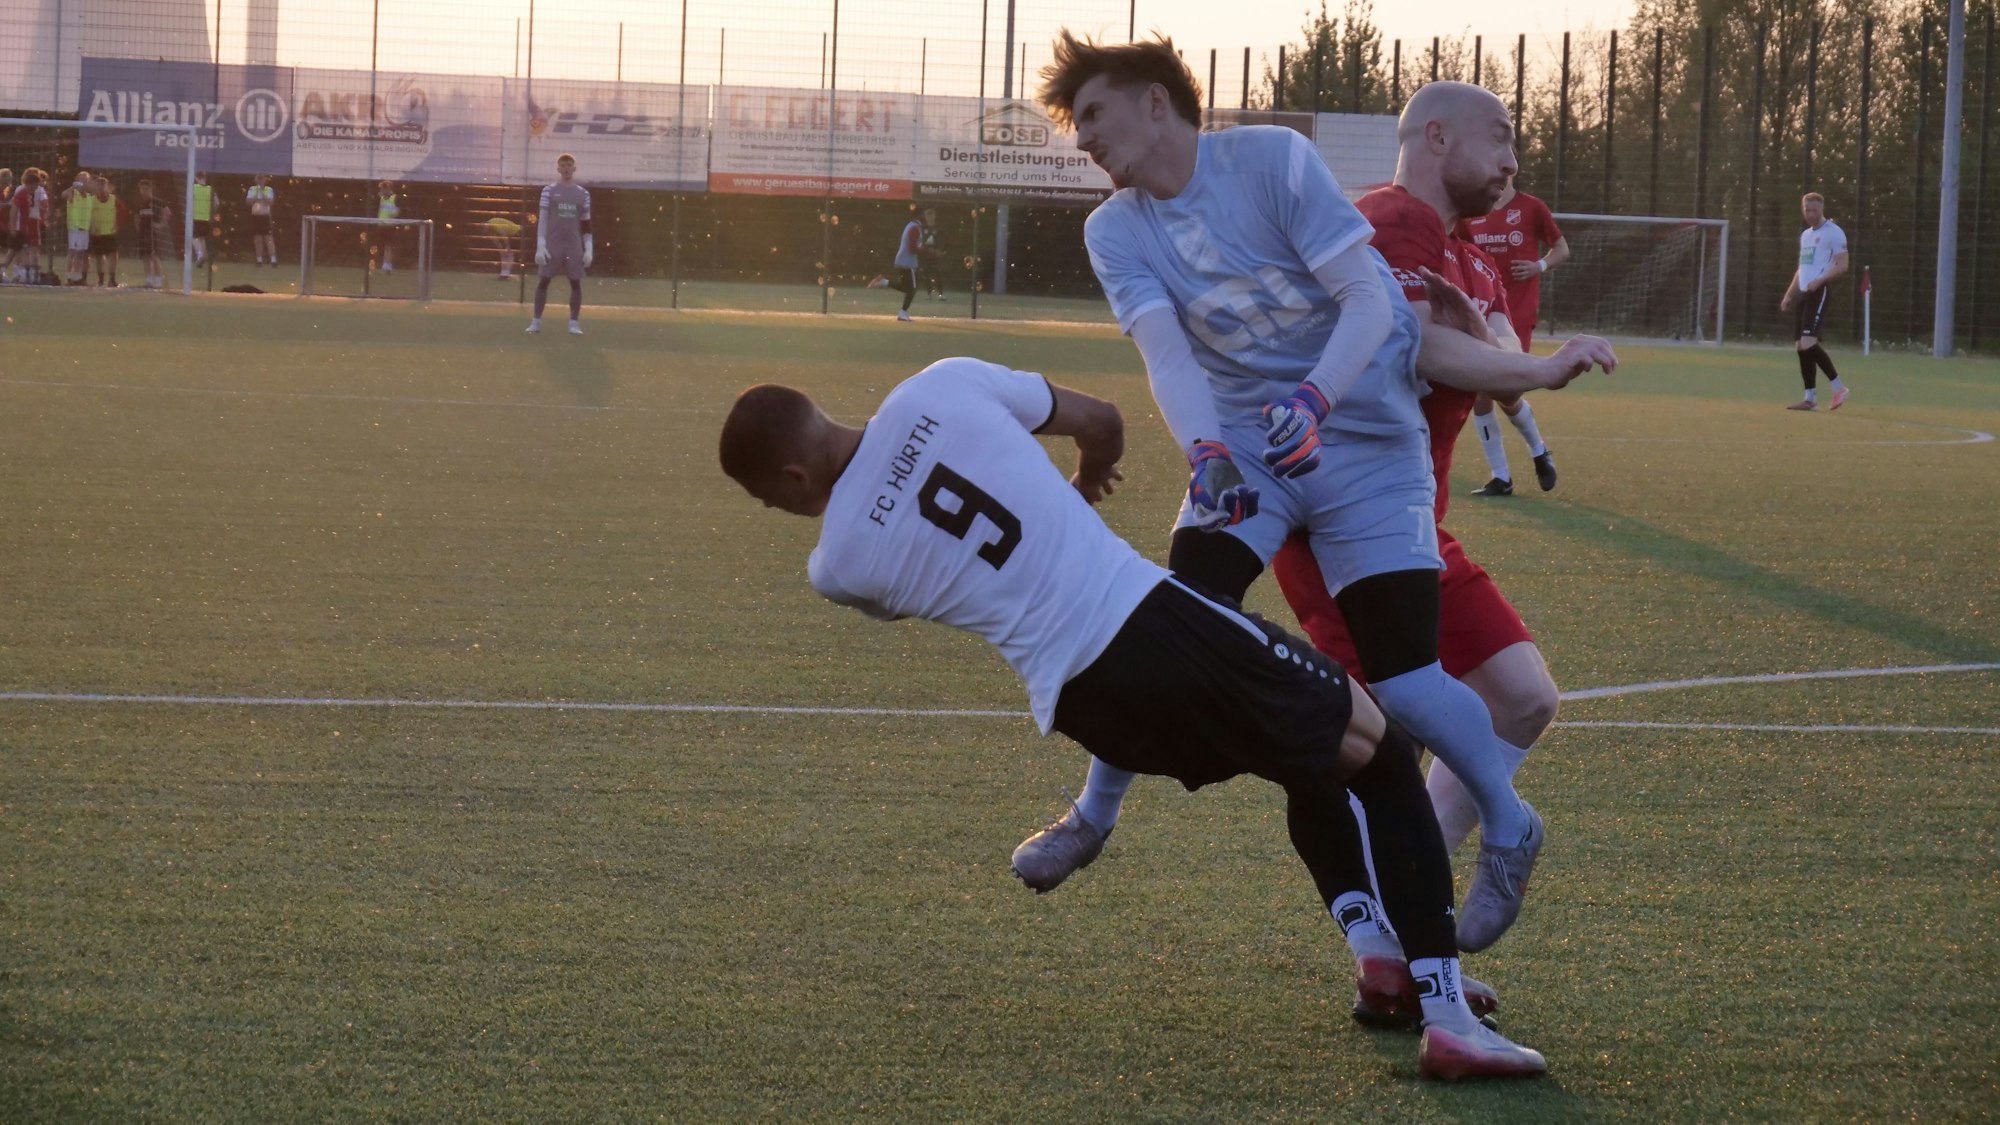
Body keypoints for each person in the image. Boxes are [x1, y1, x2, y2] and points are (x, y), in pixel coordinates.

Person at [717, 359, 1548, 1080]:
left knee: (1310, 757)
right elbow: (1101, 423)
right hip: (1157, 625)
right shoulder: (945, 384)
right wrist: (1083, 482)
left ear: (790, 481)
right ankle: (1447, 1019)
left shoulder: (836, 565)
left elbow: (927, 576)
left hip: (1086, 705)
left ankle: (1378, 960)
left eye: (761, 499)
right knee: (1383, 753)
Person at [1017, 33, 1608, 956]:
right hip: (1253, 450)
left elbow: (1372, 307)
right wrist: (1207, 447)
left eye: (1093, 114)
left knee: (1407, 678)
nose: (1083, 138)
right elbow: (1167, 356)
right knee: (1175, 617)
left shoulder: (1271, 160)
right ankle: (1092, 814)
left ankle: (1510, 821)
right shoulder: (1113, 229)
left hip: (1367, 441)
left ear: (1156, 103)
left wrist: (1315, 396)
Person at [1272, 82, 1617, 867]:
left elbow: (1495, 368)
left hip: (1413, 529)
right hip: (1341, 530)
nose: (1511, 160)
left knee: (1524, 699)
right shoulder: (1387, 219)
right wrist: (1540, 364)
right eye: (1498, 138)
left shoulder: (1470, 261)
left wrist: (1514, 356)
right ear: (1435, 137)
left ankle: (1427, 877)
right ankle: (1395, 941)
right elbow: (1423, 348)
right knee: (1375, 745)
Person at [1461, 175, 1568, 496]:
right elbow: (1459, 250)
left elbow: (1561, 248)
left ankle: (1537, 450)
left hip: (1517, 313)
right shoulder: (1473, 210)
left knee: (1502, 392)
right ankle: (1502, 476)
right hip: (1482, 311)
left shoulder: (1531, 207)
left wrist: (1539, 266)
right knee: (1482, 392)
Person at [1780, 192, 1850, 411]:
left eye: (1814, 210)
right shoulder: (1805, 236)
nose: (1810, 214)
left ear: (1822, 209)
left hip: (1820, 292)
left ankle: (1839, 388)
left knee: (1808, 342)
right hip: (1803, 293)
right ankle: (1810, 399)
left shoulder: (1834, 233)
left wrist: (1819, 281)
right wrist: (1789, 294)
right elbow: (1802, 268)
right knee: (1801, 347)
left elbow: (1842, 265)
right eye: (1807, 210)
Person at [527, 154, 591, 336]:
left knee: (575, 283)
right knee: (544, 281)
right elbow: (543, 219)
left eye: (569, 165)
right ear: (558, 168)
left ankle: (573, 323)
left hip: (573, 245)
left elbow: (587, 223)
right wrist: (541, 245)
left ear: (574, 168)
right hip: (553, 244)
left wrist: (589, 249)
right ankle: (536, 321)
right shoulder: (549, 191)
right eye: (563, 165)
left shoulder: (583, 194)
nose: (566, 168)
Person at [884, 209, 924, 321]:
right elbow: (912, 248)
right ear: (920, 215)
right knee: (912, 288)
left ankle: (883, 281)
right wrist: (927, 251)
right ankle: (902, 313)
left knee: (905, 287)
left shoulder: (911, 225)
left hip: (904, 260)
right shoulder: (915, 228)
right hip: (908, 262)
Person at [134, 178, 173, 289]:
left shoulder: (156, 202)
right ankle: (149, 281)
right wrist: (138, 229)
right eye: (142, 189)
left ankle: (159, 281)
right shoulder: (140, 203)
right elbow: (136, 217)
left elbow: (167, 212)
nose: (144, 191)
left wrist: (161, 224)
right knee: (145, 257)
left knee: (154, 256)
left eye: (147, 189)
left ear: (151, 189)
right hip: (143, 233)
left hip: (153, 233)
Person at [88, 174, 124, 288]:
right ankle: (101, 280)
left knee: (113, 255)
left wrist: (117, 225)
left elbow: (123, 213)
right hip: (97, 233)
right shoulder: (91, 200)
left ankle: (112, 279)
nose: (101, 187)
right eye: (98, 185)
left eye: (103, 185)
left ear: (107, 186)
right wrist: (91, 226)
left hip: (110, 232)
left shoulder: (113, 199)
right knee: (99, 256)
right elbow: (86, 214)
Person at [11, 169, 46, 284]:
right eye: (33, 185)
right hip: (23, 225)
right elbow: (14, 210)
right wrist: (12, 227)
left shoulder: (39, 191)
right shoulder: (21, 192)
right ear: (27, 184)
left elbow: (45, 204)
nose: (35, 188)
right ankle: (25, 275)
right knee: (24, 250)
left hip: (34, 223)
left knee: (35, 249)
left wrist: (43, 214)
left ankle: (35, 276)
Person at [62, 171, 94, 284]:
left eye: (86, 180)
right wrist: (73, 186)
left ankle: (77, 276)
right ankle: (68, 276)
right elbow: (64, 195)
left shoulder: (90, 196)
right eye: (82, 179)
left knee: (81, 254)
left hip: (85, 229)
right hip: (75, 228)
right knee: (73, 252)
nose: (84, 182)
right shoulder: (73, 193)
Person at [246, 174, 277, 266]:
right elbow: (248, 202)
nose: (260, 181)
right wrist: (257, 196)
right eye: (258, 179)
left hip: (265, 217)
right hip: (256, 217)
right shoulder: (252, 189)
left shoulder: (269, 190)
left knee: (269, 239)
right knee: (257, 239)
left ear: (265, 180)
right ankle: (259, 260)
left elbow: (270, 202)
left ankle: (273, 260)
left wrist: (262, 194)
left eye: (262, 179)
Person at [919, 207, 946, 299]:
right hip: (926, 254)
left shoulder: (939, 227)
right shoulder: (922, 228)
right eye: (928, 215)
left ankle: (941, 294)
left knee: (938, 273)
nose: (929, 217)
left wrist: (940, 251)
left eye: (931, 215)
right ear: (925, 217)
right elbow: (921, 241)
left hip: (937, 254)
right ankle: (929, 294)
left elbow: (943, 241)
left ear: (934, 216)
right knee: (927, 274)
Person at [191, 171, 215, 267]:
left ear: (196, 178)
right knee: (202, 238)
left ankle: (200, 255)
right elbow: (216, 202)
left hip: (196, 216)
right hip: (206, 217)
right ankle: (203, 256)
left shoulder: (194, 188)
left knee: (194, 238)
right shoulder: (210, 189)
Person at [374, 181, 399, 273]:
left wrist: (394, 213)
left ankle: (388, 265)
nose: (383, 190)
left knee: (389, 246)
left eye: (385, 188)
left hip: (390, 225)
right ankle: (384, 265)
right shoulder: (380, 199)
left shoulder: (394, 198)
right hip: (381, 225)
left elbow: (397, 212)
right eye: (382, 189)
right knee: (383, 246)